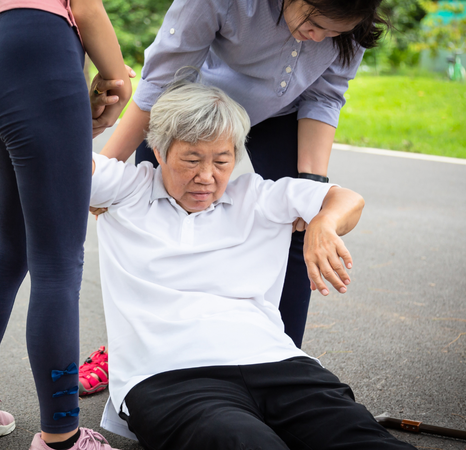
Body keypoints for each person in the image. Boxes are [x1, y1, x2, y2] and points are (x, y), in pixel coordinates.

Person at [89, 80, 401, 449]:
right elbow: (54, 161)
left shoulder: (257, 197)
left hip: (279, 365)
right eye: (191, 159)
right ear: (159, 151)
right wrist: (91, 119)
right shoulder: (126, 190)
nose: (207, 176)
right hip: (170, 376)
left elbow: (347, 199)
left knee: (363, 440)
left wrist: (324, 223)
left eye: (222, 161)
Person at [95, 0, 389, 349]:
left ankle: (280, 352)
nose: (317, 38)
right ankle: (127, 346)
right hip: (198, 111)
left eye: (333, 33)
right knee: (159, 217)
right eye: (315, 23)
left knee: (299, 226)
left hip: (282, 112)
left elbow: (325, 97)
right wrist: (106, 177)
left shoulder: (352, 26)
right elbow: (160, 81)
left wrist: (311, 191)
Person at [0, 0, 131, 447]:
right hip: (42, 52)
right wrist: (116, 80)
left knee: (11, 247)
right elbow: (85, 6)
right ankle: (61, 436)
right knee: (58, 262)